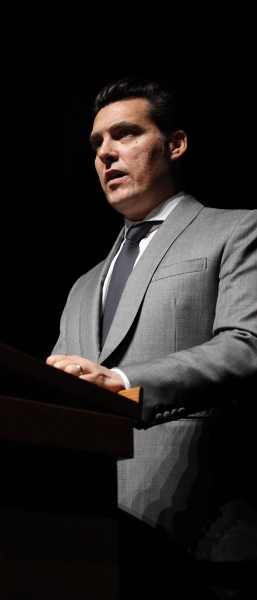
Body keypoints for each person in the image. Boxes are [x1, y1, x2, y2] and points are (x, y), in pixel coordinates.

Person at [47, 77, 257, 599]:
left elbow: (245, 345)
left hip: (196, 526)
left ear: (176, 143)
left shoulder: (237, 230)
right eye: (97, 144)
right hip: (81, 533)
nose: (106, 154)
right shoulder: (81, 287)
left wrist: (122, 381)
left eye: (125, 134)